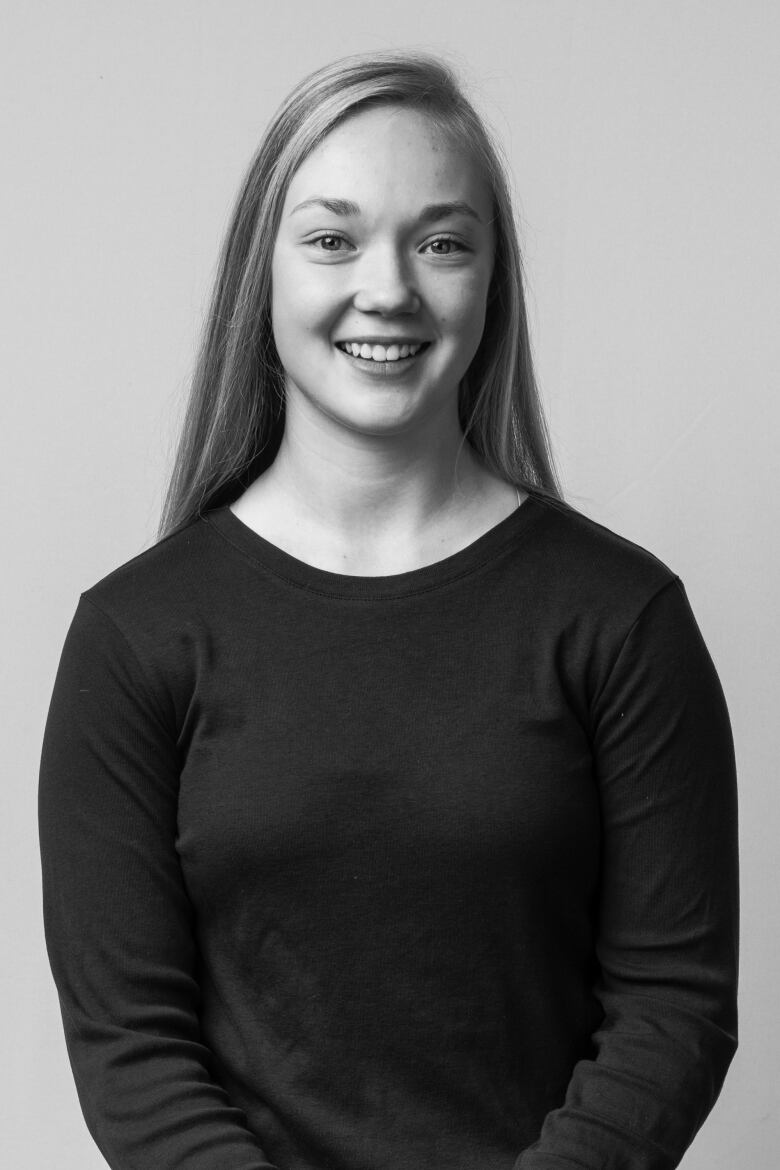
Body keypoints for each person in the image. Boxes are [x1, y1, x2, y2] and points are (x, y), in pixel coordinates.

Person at [38, 50, 739, 1170]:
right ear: (259, 274)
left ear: (492, 281)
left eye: (442, 241)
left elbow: (674, 1010)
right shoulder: (133, 639)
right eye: (332, 238)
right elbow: (130, 1048)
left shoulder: (623, 619)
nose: (390, 286)